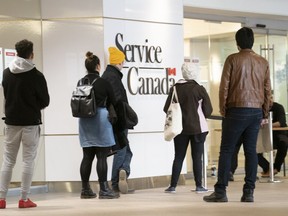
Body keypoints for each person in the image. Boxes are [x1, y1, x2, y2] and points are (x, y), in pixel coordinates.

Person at [203, 27, 272, 203]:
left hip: (235, 109)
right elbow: (267, 89)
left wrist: (223, 110)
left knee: (227, 150)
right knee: (250, 152)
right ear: (252, 42)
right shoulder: (263, 62)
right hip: (256, 111)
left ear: (237, 43)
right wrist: (264, 111)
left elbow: (224, 87)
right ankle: (248, 192)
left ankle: (221, 191)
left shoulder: (232, 59)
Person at [0, 39, 50, 209]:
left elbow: (7, 95)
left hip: (11, 122)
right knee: (28, 161)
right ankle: (24, 199)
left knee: (8, 161)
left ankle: (1, 199)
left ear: (16, 53)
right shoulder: (37, 75)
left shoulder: (6, 73)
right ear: (31, 54)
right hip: (30, 123)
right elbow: (45, 100)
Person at [163, 63, 213, 193]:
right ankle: (199, 186)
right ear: (195, 73)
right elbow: (208, 110)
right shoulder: (199, 89)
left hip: (179, 128)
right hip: (198, 128)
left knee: (178, 156)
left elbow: (166, 109)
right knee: (197, 157)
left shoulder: (174, 88)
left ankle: (172, 186)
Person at [78, 51, 118, 199]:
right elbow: (114, 101)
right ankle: (104, 189)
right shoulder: (103, 82)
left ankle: (85, 189)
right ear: (98, 66)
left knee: (87, 156)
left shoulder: (80, 82)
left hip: (84, 120)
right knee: (102, 156)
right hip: (100, 118)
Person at [102, 47, 134, 194]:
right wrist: (123, 121)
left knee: (126, 151)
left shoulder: (106, 75)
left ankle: (123, 171)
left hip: (111, 119)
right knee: (122, 150)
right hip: (118, 121)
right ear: (119, 62)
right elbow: (118, 102)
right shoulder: (114, 77)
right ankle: (116, 180)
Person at [258, 100, 288, 177]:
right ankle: (268, 168)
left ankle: (275, 168)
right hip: (265, 135)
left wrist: (267, 124)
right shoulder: (260, 109)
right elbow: (258, 122)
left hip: (279, 134)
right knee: (253, 149)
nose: (269, 99)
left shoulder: (278, 107)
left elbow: (281, 122)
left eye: (271, 97)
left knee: (283, 144)